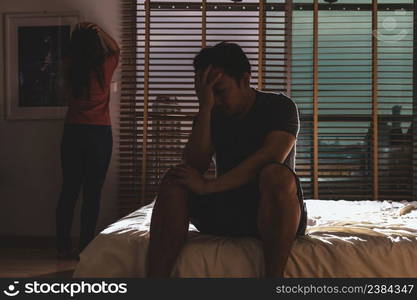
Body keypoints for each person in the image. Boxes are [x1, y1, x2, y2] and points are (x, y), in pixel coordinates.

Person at [146, 41, 307, 277]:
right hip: (228, 209)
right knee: (176, 179)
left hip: (273, 210)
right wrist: (205, 108)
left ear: (245, 79)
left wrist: (209, 186)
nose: (216, 100)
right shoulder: (211, 112)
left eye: (220, 91)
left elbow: (271, 156)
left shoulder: (279, 106)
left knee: (276, 174)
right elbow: (194, 166)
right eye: (207, 93)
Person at [55, 22, 120, 259]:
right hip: (98, 134)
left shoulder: (69, 67)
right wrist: (99, 30)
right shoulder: (103, 67)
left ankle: (62, 246)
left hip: (73, 133)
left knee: (69, 190)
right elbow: (116, 49)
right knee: (92, 194)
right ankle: (85, 247)